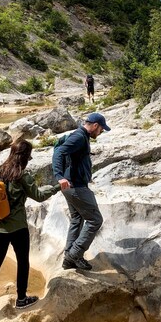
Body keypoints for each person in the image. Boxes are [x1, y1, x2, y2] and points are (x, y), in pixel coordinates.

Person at [0, 140, 60, 318]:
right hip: (17, 228)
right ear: (25, 156)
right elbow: (38, 196)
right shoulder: (22, 175)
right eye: (29, 155)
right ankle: (21, 299)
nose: (30, 158)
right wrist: (57, 187)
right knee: (23, 261)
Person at [52, 112, 111, 270]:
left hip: (71, 186)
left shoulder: (81, 136)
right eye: (101, 130)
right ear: (95, 126)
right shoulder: (79, 137)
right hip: (75, 187)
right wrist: (59, 176)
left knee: (77, 219)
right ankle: (74, 254)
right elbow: (59, 152)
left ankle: (69, 258)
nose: (101, 132)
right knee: (95, 220)